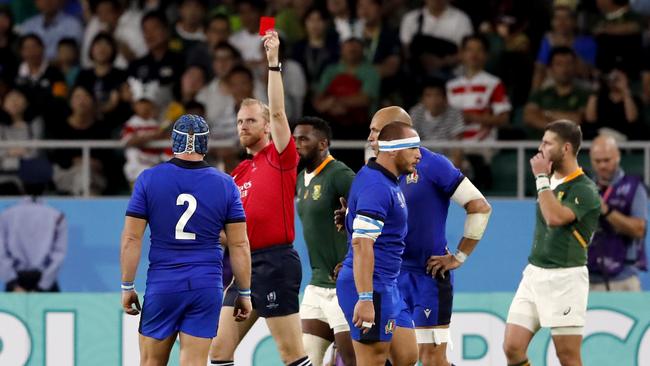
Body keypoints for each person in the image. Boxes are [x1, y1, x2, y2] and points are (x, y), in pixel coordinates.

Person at [344, 106, 491, 366]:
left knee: (431, 360)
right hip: (387, 277)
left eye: (376, 131)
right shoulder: (378, 171)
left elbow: (480, 207)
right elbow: (370, 226)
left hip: (427, 278)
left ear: (396, 133)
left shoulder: (434, 165)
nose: (370, 137)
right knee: (393, 359)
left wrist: (458, 256)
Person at [209, 31, 312, 366]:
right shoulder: (238, 173)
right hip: (243, 267)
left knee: (291, 354)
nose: (243, 126)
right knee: (219, 351)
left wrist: (272, 63)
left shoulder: (281, 157)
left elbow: (280, 112)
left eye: (251, 120)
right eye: (240, 121)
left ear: (268, 127)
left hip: (275, 263)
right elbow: (226, 227)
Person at [120, 114, 252, 366]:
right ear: (205, 144)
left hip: (163, 283)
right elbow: (239, 244)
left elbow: (131, 239)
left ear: (174, 142)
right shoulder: (226, 184)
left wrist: (127, 286)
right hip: (205, 285)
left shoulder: (149, 179)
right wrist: (244, 291)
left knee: (150, 361)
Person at [503, 120, 601, 366]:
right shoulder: (548, 182)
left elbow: (555, 217)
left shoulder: (584, 188)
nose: (541, 148)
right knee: (512, 347)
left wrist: (541, 178)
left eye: (547, 143)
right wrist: (544, 180)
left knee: (567, 357)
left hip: (565, 278)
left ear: (566, 148)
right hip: (534, 274)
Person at [336, 122, 421, 366]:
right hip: (371, 287)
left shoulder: (387, 181)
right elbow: (362, 244)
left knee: (406, 357)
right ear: (393, 150)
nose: (419, 155)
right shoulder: (377, 186)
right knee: (371, 360)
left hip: (387, 284)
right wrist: (365, 298)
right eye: (413, 148)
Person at [293, 116, 356, 366]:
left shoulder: (339, 174)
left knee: (353, 361)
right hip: (317, 285)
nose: (297, 144)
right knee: (306, 360)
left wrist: (351, 262)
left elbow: (372, 217)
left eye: (304, 139)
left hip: (343, 286)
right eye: (295, 139)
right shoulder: (301, 179)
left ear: (323, 143)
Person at [588, 134, 647, 291]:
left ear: (618, 157)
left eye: (607, 160)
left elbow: (639, 230)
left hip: (622, 277)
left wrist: (606, 211)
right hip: (587, 277)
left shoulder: (634, 187)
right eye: (597, 161)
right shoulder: (585, 187)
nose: (602, 166)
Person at [0, 158, 67, 292]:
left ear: (22, 185)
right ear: (46, 185)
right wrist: (42, 287)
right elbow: (58, 256)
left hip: (17, 280)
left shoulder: (7, 215)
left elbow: (1, 253)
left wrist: (13, 283)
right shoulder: (56, 217)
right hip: (45, 282)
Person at [524, 47, 590, 137]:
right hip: (539, 147)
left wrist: (546, 113)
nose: (565, 69)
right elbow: (529, 117)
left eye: (568, 64)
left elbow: (576, 120)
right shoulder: (540, 94)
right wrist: (561, 122)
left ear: (575, 67)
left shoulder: (584, 94)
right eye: (559, 64)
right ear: (550, 69)